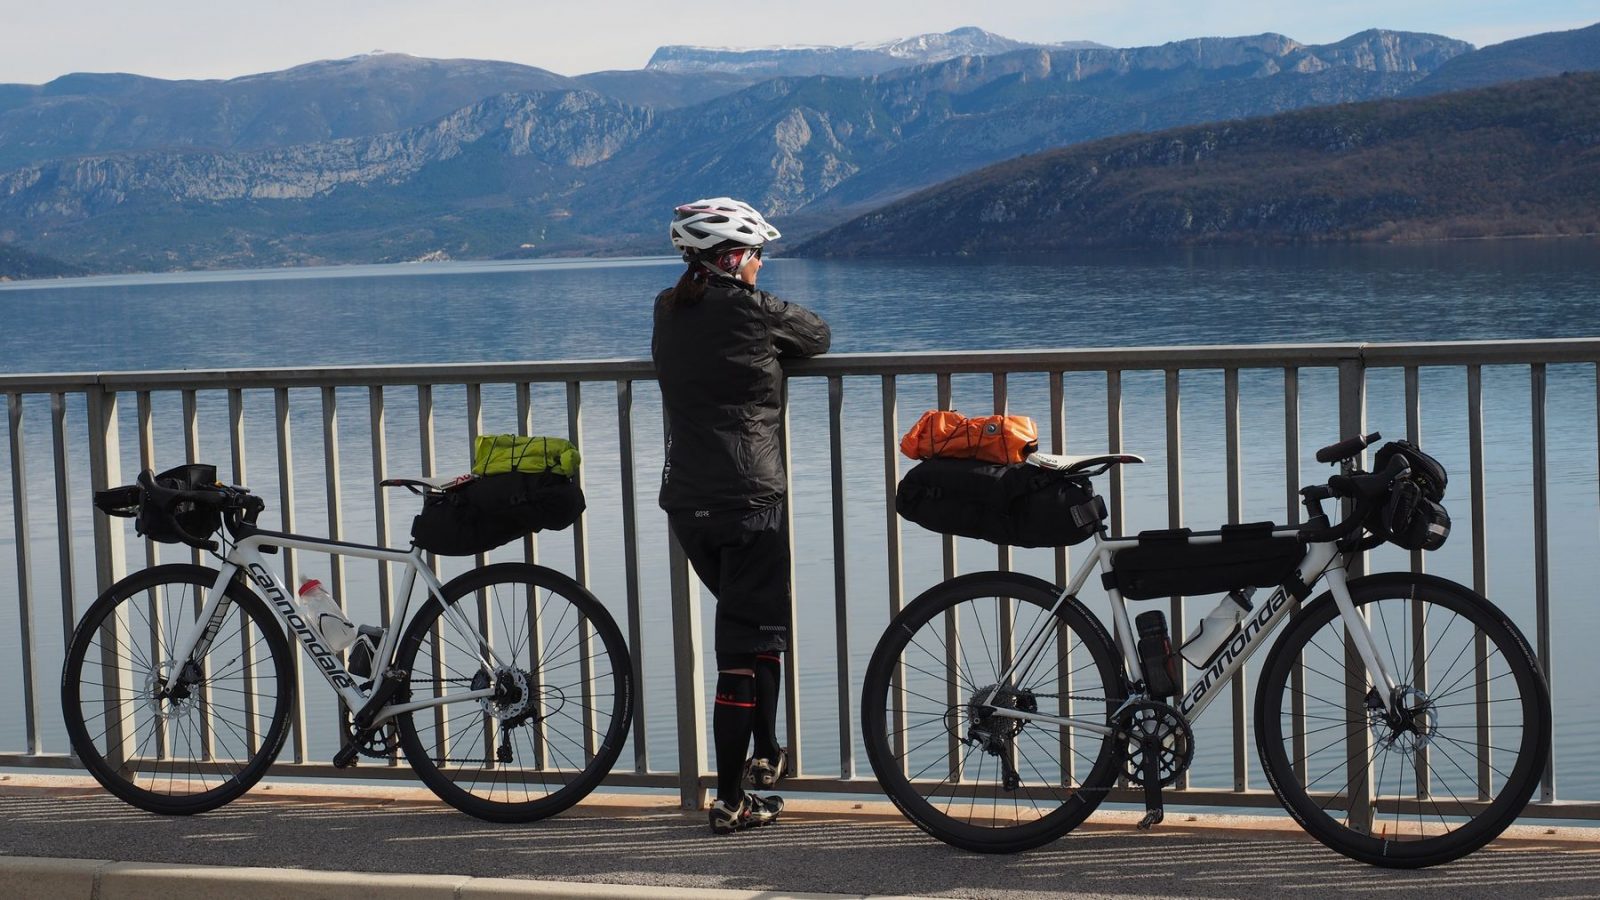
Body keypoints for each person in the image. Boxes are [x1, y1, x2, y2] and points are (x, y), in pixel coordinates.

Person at [652, 197, 831, 835]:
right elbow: (818, 335)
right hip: (750, 499)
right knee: (744, 645)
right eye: (756, 255)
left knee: (750, 628)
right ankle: (732, 798)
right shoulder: (756, 312)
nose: (760, 266)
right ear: (733, 257)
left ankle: (765, 755)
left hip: (687, 502)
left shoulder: (667, 310)